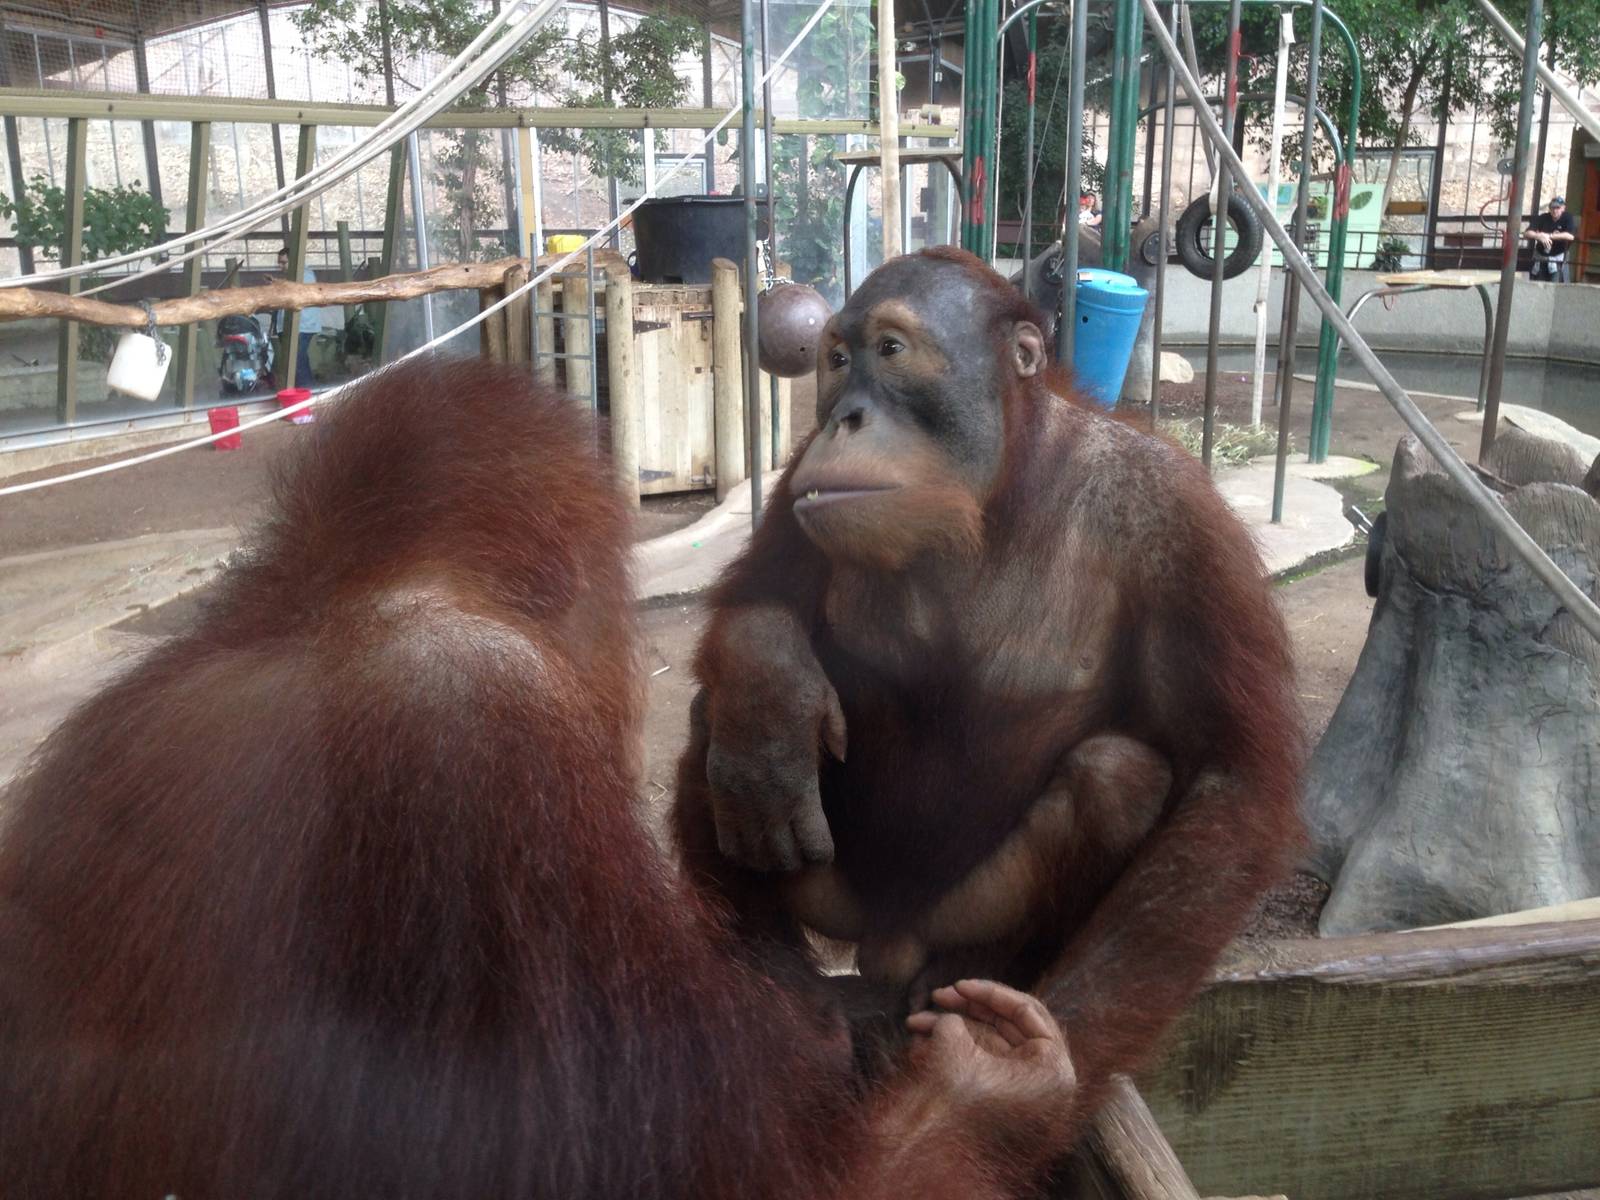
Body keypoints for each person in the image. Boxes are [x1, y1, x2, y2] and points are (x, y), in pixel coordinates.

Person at [274, 247, 321, 384]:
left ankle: (307, 392)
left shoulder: (305, 275)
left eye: (283, 262)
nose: (280, 266)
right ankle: (303, 391)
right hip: (294, 326)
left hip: (302, 326)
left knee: (297, 361)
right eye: (279, 263)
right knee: (296, 361)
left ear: (294, 261)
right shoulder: (293, 277)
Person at [1524, 195, 1577, 282]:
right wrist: (1538, 236)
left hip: (1557, 258)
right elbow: (1527, 233)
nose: (1555, 210)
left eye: (1557, 207)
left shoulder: (1567, 218)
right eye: (1552, 207)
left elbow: (1570, 236)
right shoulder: (1543, 217)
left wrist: (1549, 236)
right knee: (1537, 284)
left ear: (1563, 208)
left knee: (1556, 285)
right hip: (1541, 257)